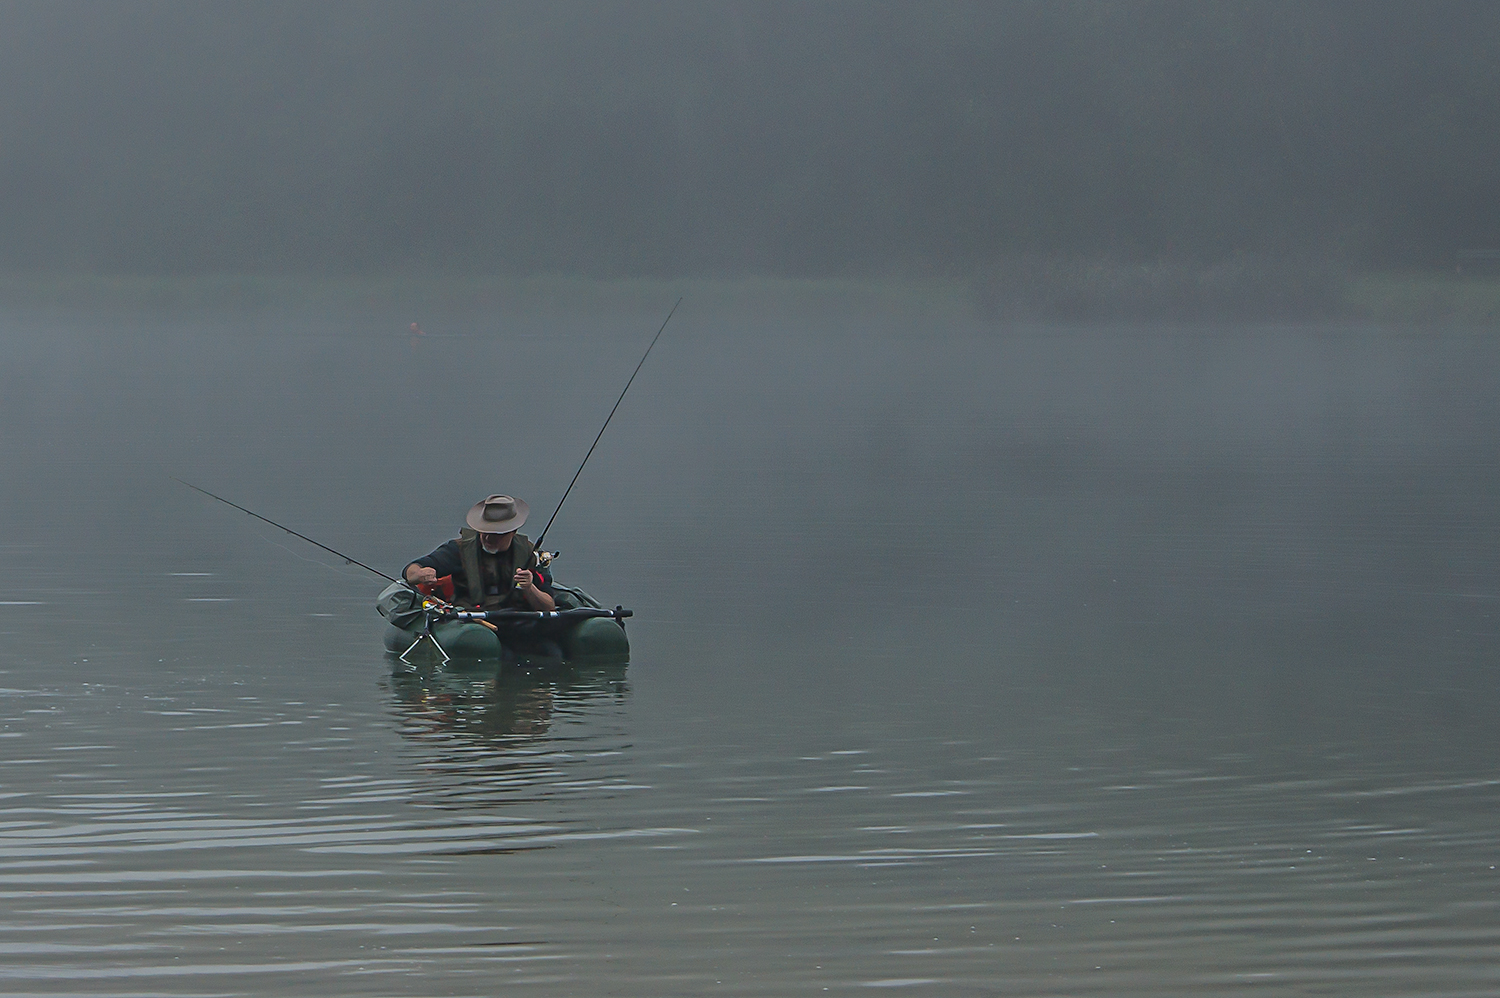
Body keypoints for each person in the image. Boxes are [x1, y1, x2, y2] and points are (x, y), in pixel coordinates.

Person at [403, 494, 556, 612]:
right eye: (484, 531)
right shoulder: (460, 549)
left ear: (513, 532)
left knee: (550, 649)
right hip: (472, 621)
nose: (488, 538)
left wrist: (529, 588)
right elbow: (411, 569)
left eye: (497, 534)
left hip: (517, 621)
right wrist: (419, 574)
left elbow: (549, 605)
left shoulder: (529, 553)